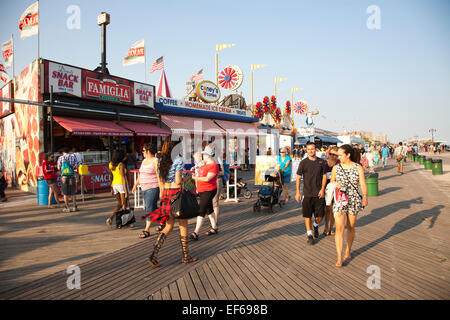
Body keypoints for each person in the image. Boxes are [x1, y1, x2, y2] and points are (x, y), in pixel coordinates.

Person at [145, 139, 197, 266]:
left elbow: (161, 181)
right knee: (183, 224)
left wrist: (162, 195)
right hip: (177, 194)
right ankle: (185, 256)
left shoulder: (162, 161)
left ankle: (154, 253)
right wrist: (188, 176)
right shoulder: (178, 160)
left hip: (167, 194)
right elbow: (178, 181)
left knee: (168, 226)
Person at [330, 144, 368, 267]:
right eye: (338, 155)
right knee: (339, 229)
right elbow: (331, 184)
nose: (338, 157)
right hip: (340, 200)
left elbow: (362, 183)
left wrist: (365, 196)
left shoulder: (358, 167)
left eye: (341, 155)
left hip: (353, 199)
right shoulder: (336, 168)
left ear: (348, 155)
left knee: (351, 226)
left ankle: (348, 251)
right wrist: (336, 185)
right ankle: (339, 257)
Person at [295, 142, 327, 245]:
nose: (311, 151)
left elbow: (324, 176)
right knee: (307, 215)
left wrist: (322, 189)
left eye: (312, 149)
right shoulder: (303, 163)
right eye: (308, 149)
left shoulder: (322, 162)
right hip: (307, 193)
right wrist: (297, 192)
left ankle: (316, 225)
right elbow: (298, 178)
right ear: (306, 150)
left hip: (319, 193)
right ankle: (309, 234)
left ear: (315, 149)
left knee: (320, 216)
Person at [132, 143, 163, 238]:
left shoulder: (155, 161)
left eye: (143, 151)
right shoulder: (144, 161)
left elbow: (159, 176)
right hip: (144, 188)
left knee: (148, 208)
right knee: (152, 207)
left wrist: (161, 190)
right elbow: (141, 174)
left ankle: (147, 229)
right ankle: (163, 220)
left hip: (153, 187)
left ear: (148, 151)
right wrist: (135, 185)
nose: (142, 152)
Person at [190, 146, 219, 240]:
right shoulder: (204, 163)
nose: (203, 155)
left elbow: (207, 179)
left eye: (204, 154)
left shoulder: (214, 165)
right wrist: (194, 169)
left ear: (208, 155)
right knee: (209, 209)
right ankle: (214, 227)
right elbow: (199, 170)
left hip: (209, 190)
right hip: (202, 190)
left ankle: (196, 232)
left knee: (201, 209)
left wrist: (195, 178)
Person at [106, 150, 129, 227]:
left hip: (114, 185)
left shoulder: (111, 165)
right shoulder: (121, 165)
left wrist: (111, 187)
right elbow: (123, 178)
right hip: (121, 184)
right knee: (123, 204)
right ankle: (124, 222)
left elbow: (111, 176)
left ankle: (111, 218)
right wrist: (126, 191)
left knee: (119, 203)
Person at [57, 147, 81, 213]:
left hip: (64, 176)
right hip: (72, 175)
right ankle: (74, 206)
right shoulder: (73, 157)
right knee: (73, 192)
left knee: (65, 193)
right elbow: (76, 166)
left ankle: (67, 207)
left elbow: (58, 168)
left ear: (63, 152)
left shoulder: (60, 158)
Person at [323, 146, 339, 236]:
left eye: (334, 154)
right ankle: (326, 227)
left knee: (334, 209)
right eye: (331, 154)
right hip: (326, 187)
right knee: (327, 209)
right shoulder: (324, 162)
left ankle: (331, 227)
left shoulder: (339, 163)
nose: (332, 156)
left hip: (336, 187)